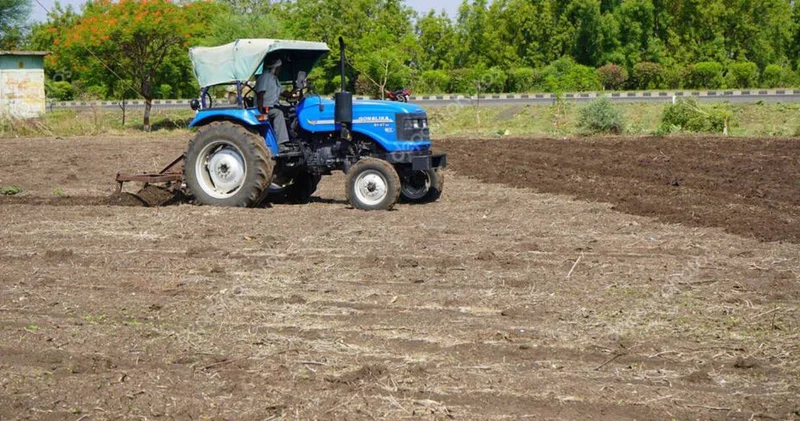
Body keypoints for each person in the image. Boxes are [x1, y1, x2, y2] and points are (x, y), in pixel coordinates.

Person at [256, 57, 296, 150]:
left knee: (293, 111)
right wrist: (260, 112)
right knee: (278, 113)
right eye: (279, 68)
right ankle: (281, 143)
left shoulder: (275, 79)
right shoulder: (265, 77)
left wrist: (295, 90)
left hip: (275, 105)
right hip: (266, 107)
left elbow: (284, 93)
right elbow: (260, 95)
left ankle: (293, 137)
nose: (280, 70)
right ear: (275, 68)